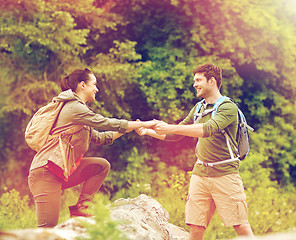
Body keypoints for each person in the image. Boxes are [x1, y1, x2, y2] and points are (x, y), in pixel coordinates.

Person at [136, 63, 255, 239]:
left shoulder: (228, 107)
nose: (194, 84)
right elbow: (176, 135)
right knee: (196, 228)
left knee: (241, 227)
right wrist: (149, 132)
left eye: (198, 80)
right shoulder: (199, 108)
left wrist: (170, 128)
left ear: (212, 81)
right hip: (200, 174)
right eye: (194, 80)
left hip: (225, 175)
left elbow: (207, 129)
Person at [27, 68, 156, 228]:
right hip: (45, 173)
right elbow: (105, 122)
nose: (97, 89)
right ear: (82, 85)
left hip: (60, 171)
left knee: (101, 166)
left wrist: (130, 127)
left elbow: (102, 137)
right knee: (47, 229)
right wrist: (142, 123)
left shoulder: (80, 114)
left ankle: (82, 207)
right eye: (94, 84)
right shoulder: (74, 108)